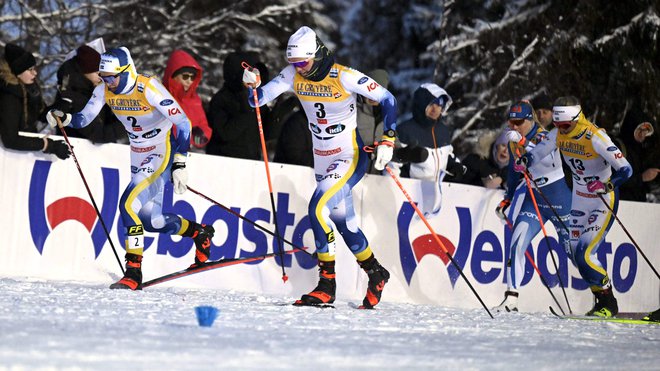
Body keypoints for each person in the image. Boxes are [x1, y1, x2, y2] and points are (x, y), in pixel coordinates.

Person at [242, 26, 395, 308]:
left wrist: (388, 139)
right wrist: (252, 84)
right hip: (322, 159)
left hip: (349, 157)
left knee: (317, 208)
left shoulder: (343, 75)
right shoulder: (293, 74)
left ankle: (327, 285)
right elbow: (258, 100)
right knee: (342, 223)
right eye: (294, 63)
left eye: (303, 62)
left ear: (317, 54)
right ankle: (376, 272)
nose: (299, 68)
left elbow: (388, 99)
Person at [46, 47, 214, 290]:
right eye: (103, 77)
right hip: (137, 154)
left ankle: (133, 272)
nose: (107, 83)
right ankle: (200, 233)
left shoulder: (148, 87)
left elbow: (183, 122)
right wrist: (65, 117)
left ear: (126, 72)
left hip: (160, 151)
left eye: (112, 77)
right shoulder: (105, 88)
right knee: (151, 221)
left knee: (127, 204)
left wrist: (179, 162)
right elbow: (84, 118)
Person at [515, 96, 632, 317]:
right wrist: (525, 161)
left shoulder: (596, 137)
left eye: (566, 125)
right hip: (579, 198)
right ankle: (601, 301)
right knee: (576, 254)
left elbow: (626, 169)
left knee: (585, 253)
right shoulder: (559, 132)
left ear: (577, 119)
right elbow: (539, 151)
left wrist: (607, 184)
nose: (562, 130)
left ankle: (609, 302)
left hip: (602, 200)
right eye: (558, 125)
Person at [492, 101, 572, 312]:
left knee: (574, 250)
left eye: (519, 122)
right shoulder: (513, 139)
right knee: (517, 241)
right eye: (511, 122)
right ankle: (511, 299)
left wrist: (524, 142)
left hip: (558, 197)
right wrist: (508, 198)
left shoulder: (544, 135)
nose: (514, 127)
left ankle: (601, 295)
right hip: (534, 197)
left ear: (529, 120)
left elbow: (546, 160)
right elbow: (512, 170)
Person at [393, 83, 466, 216]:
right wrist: (395, 195)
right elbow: (392, 166)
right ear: (422, 104)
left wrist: (456, 166)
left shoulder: (443, 131)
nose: (435, 109)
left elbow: (448, 155)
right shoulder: (405, 130)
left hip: (439, 200)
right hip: (410, 200)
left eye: (440, 105)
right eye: (431, 104)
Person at [0, 43, 70, 160]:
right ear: (18, 72)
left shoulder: (29, 88)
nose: (35, 73)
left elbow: (40, 115)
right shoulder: (8, 96)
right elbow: (10, 140)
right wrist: (48, 145)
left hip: (20, 156)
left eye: (34, 68)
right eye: (30, 70)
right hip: (7, 159)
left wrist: (61, 105)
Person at [49, 44, 124, 144]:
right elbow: (98, 134)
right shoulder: (71, 97)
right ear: (83, 73)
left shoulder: (94, 90)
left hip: (99, 154)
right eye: (97, 73)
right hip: (79, 153)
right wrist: (128, 124)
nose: (101, 77)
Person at [206, 51, 272, 159]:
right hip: (224, 162)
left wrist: (279, 113)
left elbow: (266, 133)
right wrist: (246, 112)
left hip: (251, 163)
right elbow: (224, 134)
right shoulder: (222, 99)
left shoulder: (255, 97)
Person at [163, 49, 212, 151]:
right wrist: (187, 134)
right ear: (173, 75)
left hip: (193, 152)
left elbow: (203, 124)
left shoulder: (195, 99)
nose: (189, 81)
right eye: (185, 76)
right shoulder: (162, 97)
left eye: (192, 77)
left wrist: (202, 134)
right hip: (167, 150)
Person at [613, 106, 659, 202]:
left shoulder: (643, 148)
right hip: (621, 203)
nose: (643, 134)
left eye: (646, 131)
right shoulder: (617, 147)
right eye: (639, 130)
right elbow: (612, 179)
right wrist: (641, 178)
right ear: (631, 127)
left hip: (639, 205)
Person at [355, 68, 389, 173]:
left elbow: (393, 143)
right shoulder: (352, 112)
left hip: (375, 180)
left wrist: (405, 153)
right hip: (352, 174)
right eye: (369, 90)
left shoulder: (387, 117)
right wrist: (364, 151)